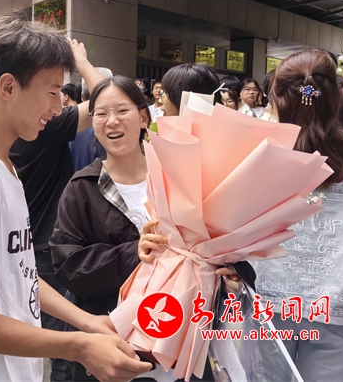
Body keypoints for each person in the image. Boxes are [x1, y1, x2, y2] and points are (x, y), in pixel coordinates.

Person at [0, 13, 152, 382]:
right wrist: (78, 346)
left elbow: (21, 273)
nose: (58, 108)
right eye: (51, 92)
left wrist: (87, 322)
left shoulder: (3, 168)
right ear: (8, 87)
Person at [50, 76, 252, 381]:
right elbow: (67, 264)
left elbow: (221, 246)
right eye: (101, 114)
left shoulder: (181, 175)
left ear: (144, 116)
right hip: (116, 347)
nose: (112, 121)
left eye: (122, 110)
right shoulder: (82, 188)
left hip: (185, 343)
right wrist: (132, 253)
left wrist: (234, 272)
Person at [252, 49, 343, 381]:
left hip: (267, 305)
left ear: (277, 99)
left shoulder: (254, 152)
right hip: (339, 308)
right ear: (336, 98)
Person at [9, 38, 107, 381]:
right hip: (48, 248)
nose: (56, 105)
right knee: (62, 346)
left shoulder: (2, 140)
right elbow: (106, 99)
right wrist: (81, 62)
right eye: (51, 91)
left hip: (28, 245)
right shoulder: (43, 129)